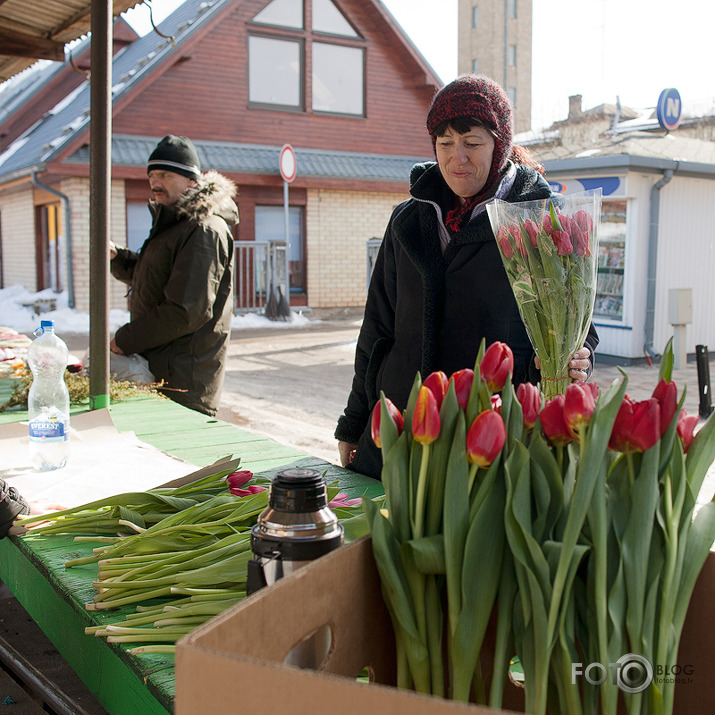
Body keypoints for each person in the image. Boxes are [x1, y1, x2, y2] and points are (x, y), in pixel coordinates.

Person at [335, 74, 598, 479]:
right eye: (445, 144)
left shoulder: (541, 220)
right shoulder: (407, 220)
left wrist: (572, 360)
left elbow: (577, 328)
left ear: (500, 145)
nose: (457, 158)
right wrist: (354, 422)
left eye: (472, 143)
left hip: (489, 438)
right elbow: (376, 328)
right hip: (398, 431)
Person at [110, 135, 238, 416]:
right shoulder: (173, 223)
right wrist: (118, 258)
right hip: (162, 367)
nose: (155, 182)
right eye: (152, 175)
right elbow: (155, 277)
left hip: (184, 379)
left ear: (191, 181)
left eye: (165, 175)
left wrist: (125, 340)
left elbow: (186, 310)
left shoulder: (204, 229)